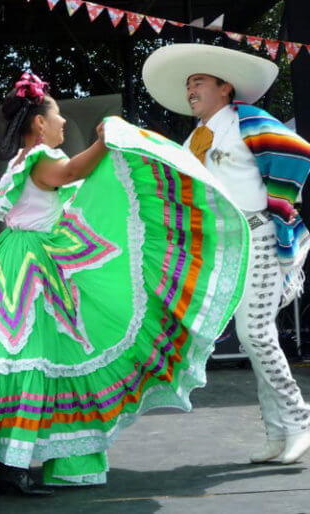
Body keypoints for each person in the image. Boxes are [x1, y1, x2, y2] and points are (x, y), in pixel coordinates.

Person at [0, 71, 250, 493]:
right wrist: (107, 137)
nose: (61, 124)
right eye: (57, 116)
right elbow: (75, 169)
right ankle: (11, 464)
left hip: (12, 259)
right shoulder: (41, 158)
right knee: (27, 353)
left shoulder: (19, 163)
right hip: (29, 266)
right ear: (39, 122)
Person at [143, 43, 310, 465]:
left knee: (255, 333)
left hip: (264, 238)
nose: (191, 91)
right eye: (188, 85)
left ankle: (300, 420)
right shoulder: (193, 139)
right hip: (231, 247)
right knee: (254, 339)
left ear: (224, 87)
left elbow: (299, 152)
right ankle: (278, 431)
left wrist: (281, 209)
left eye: (198, 82)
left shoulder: (246, 120)